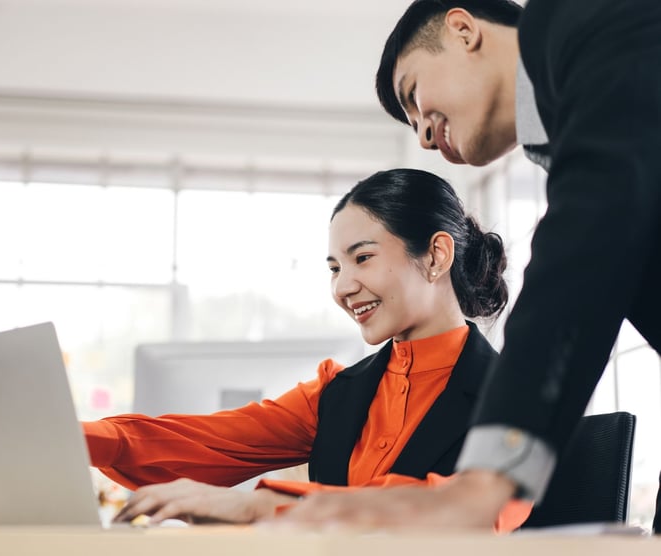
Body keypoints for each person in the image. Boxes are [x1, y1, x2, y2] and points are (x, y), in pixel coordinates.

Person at [278, 0, 661, 530]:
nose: (423, 137)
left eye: (414, 93)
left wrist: (482, 484)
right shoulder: (575, 129)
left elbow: (579, 256)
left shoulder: (583, 22)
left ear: (462, 31)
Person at [83, 168, 528, 529]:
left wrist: (265, 508)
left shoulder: (517, 399)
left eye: (363, 257)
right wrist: (75, 438)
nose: (343, 286)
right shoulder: (337, 392)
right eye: (335, 267)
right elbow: (208, 441)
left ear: (435, 255)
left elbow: (468, 512)